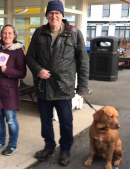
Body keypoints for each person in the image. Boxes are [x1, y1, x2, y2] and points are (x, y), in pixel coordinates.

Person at [25, 0, 89, 166]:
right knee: (46, 121)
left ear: (62, 15)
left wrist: (82, 87)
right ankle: (49, 146)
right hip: (43, 86)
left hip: (63, 86)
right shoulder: (39, 32)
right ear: (47, 15)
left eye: (57, 13)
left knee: (66, 121)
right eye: (51, 13)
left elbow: (83, 62)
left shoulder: (74, 34)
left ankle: (65, 149)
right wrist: (38, 70)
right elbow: (29, 56)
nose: (54, 16)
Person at [0, 24, 26, 156]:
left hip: (9, 92)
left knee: (11, 120)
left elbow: (22, 73)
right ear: (1, 35)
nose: (7, 36)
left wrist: (6, 70)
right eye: (4, 33)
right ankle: (1, 141)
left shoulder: (18, 51)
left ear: (14, 35)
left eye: (9, 33)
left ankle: (13, 144)